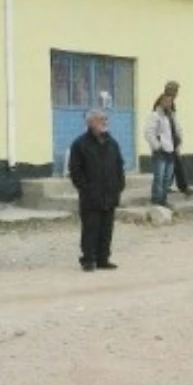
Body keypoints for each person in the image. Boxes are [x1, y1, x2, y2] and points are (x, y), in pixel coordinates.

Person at [69, 108, 126, 272]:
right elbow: (75, 170)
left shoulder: (112, 143)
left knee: (107, 228)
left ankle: (103, 259)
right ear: (90, 122)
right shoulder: (79, 144)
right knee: (91, 228)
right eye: (101, 119)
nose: (105, 122)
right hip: (90, 195)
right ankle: (88, 259)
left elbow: (119, 165)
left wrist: (119, 185)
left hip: (110, 193)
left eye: (105, 119)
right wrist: (85, 189)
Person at [162, 81, 193, 197]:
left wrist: (178, 136)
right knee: (176, 164)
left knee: (173, 163)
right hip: (167, 140)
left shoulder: (171, 103)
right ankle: (183, 187)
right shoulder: (163, 102)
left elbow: (173, 121)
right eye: (175, 90)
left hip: (172, 139)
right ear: (170, 90)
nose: (177, 93)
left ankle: (168, 186)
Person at [143, 93, 176, 208]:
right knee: (159, 177)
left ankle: (163, 199)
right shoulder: (155, 115)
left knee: (167, 177)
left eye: (170, 101)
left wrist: (177, 145)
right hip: (160, 151)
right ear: (160, 102)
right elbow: (148, 133)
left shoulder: (171, 116)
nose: (168, 103)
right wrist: (157, 146)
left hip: (171, 150)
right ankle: (157, 200)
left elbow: (174, 133)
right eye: (166, 101)